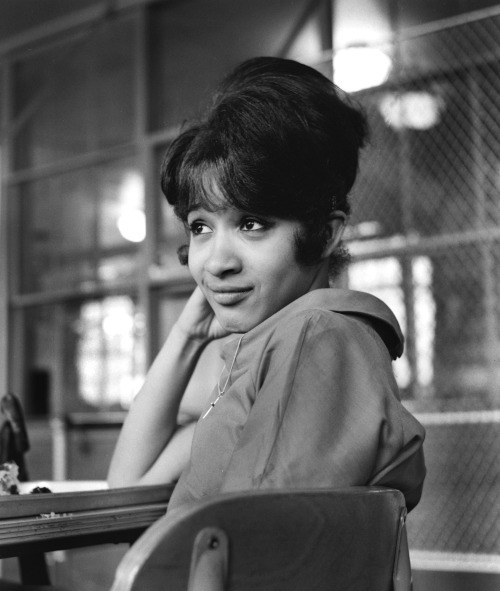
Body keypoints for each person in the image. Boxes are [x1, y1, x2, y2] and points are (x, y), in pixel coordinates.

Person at [108, 56, 426, 514]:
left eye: (252, 223)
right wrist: (187, 336)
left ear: (324, 232)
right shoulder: (262, 359)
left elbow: (263, 547)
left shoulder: (315, 339)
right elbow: (126, 489)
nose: (217, 261)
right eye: (200, 227)